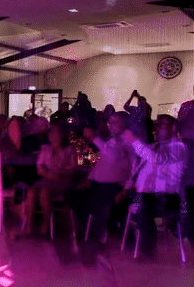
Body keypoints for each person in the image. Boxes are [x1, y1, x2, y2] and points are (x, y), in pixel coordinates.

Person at [121, 114, 187, 262]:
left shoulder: (179, 147)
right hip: (148, 195)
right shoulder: (153, 147)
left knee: (141, 205)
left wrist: (134, 141)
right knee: (117, 199)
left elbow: (158, 158)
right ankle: (129, 242)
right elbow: (140, 170)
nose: (157, 128)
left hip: (168, 197)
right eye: (156, 125)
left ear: (174, 128)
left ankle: (147, 250)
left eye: (162, 125)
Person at [75, 111, 136, 266]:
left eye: (114, 122)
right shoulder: (111, 141)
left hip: (117, 187)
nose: (110, 125)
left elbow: (113, 157)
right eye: (110, 122)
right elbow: (102, 163)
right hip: (99, 184)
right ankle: (85, 234)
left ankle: (99, 238)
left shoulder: (128, 141)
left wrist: (94, 138)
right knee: (75, 195)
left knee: (102, 203)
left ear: (125, 124)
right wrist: (89, 179)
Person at [15, 122, 77, 238]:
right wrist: (47, 173)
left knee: (44, 191)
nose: (51, 134)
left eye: (55, 132)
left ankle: (46, 224)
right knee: (31, 191)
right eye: (51, 132)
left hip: (62, 181)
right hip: (47, 178)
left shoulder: (69, 150)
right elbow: (39, 166)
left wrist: (58, 173)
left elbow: (72, 169)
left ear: (62, 134)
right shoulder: (45, 148)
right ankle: (29, 226)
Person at [178, 85, 194, 245]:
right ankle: (187, 230)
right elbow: (178, 124)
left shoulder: (187, 106)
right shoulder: (187, 106)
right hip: (189, 146)